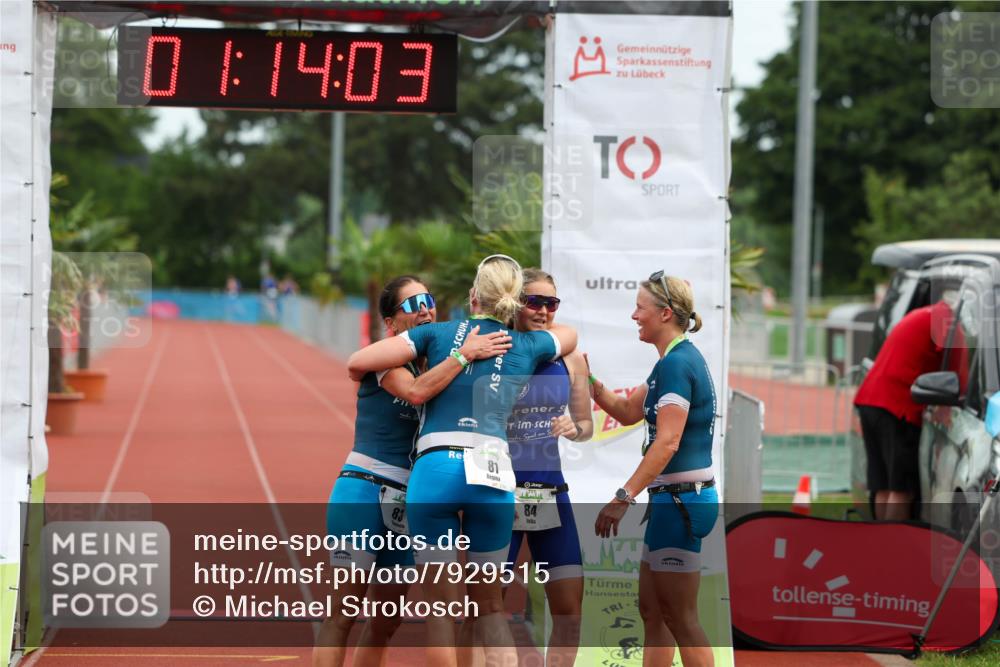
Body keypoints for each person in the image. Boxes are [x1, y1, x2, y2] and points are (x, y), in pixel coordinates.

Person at [347, 255, 578, 667]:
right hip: (492, 469)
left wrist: (462, 353)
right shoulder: (529, 344)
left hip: (436, 467)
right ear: (515, 301)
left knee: (441, 612)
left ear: (473, 295)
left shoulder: (435, 333)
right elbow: (570, 336)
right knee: (491, 609)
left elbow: (358, 362)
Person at [315, 275, 512, 667]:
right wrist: (463, 355)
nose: (424, 310)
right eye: (411, 305)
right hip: (364, 489)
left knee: (386, 620)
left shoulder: (443, 360)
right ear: (391, 322)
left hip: (411, 500)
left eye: (428, 300)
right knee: (343, 612)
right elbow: (416, 391)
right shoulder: (387, 360)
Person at [588, 271, 717, 667]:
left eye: (639, 308)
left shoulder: (678, 364)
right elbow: (628, 411)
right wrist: (587, 379)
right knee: (653, 611)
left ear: (664, 314)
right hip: (673, 502)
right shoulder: (670, 361)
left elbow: (667, 443)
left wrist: (622, 498)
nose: (633, 316)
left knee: (680, 618)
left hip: (681, 502)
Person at [504, 268, 592, 667]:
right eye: (533, 302)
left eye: (550, 303)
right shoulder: (498, 349)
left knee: (569, 609)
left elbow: (586, 425)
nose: (542, 310)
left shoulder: (571, 358)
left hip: (549, 493)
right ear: (515, 304)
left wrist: (575, 428)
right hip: (499, 494)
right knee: (484, 605)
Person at [854, 300, 957, 521]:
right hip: (897, 407)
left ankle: (880, 540)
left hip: (869, 400)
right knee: (901, 490)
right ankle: (894, 541)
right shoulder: (949, 323)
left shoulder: (921, 315)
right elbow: (958, 377)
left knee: (883, 485)